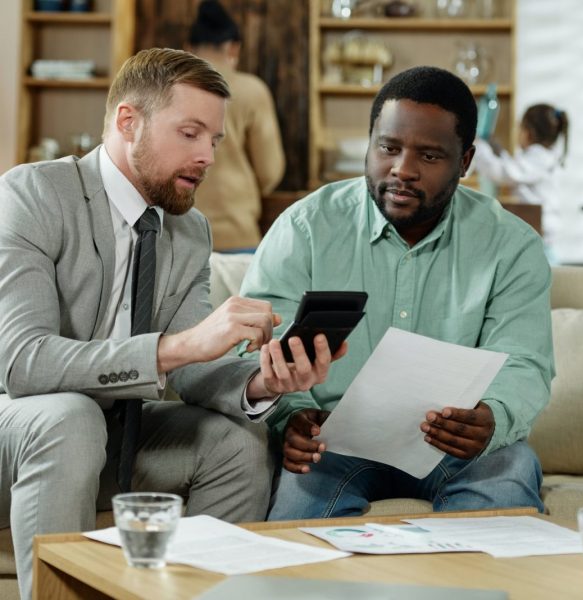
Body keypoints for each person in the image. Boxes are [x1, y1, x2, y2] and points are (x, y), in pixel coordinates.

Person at [0, 48, 340, 600]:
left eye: (216, 140)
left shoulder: (189, 230)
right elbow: (22, 363)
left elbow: (191, 370)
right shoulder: (32, 195)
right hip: (17, 432)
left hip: (114, 433)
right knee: (71, 417)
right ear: (127, 121)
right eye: (190, 133)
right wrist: (177, 346)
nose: (208, 156)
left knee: (236, 441)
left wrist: (262, 382)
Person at [241, 66, 554, 521]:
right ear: (370, 142)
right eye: (388, 148)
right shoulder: (305, 227)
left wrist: (493, 417)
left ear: (464, 162)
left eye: (429, 156)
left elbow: (525, 361)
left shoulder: (511, 245)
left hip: (455, 447)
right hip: (332, 442)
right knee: (298, 527)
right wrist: (292, 415)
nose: (402, 170)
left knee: (511, 473)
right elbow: (256, 345)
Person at [187, 0, 285, 252]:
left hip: (178, 236)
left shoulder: (166, 88)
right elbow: (270, 171)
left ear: (188, 48)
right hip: (237, 232)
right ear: (233, 48)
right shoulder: (251, 90)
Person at [470, 103, 569, 264]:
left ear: (529, 133)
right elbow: (514, 168)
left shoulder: (538, 157)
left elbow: (503, 173)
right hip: (542, 238)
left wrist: (479, 147)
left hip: (541, 242)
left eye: (519, 128)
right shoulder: (542, 157)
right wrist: (499, 151)